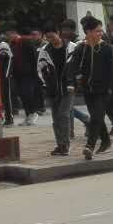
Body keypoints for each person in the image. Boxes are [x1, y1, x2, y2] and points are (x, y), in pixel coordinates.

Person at [67, 16, 113, 160]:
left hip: (103, 90)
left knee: (96, 117)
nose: (100, 34)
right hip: (88, 89)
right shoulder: (81, 48)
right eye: (97, 31)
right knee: (98, 118)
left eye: (101, 31)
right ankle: (106, 141)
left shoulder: (107, 48)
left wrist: (110, 87)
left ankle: (89, 146)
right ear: (88, 32)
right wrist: (71, 82)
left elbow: (112, 70)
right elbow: (72, 66)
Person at [39, 27, 73, 156]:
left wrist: (75, 81)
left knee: (63, 115)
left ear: (58, 33)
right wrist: (45, 84)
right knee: (56, 118)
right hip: (52, 88)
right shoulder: (45, 50)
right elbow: (40, 68)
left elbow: (78, 65)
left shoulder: (71, 47)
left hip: (68, 87)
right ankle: (60, 145)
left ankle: (65, 145)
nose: (50, 40)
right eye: (48, 37)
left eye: (52, 36)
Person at [12, 29, 43, 126]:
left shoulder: (25, 41)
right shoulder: (14, 44)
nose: (9, 37)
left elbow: (33, 57)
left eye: (10, 34)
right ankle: (28, 115)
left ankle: (33, 113)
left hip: (28, 74)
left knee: (27, 93)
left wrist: (34, 72)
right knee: (22, 95)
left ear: (14, 33)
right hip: (19, 74)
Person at [0, 35, 15, 126]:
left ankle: (9, 118)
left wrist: (6, 75)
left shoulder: (2, 45)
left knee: (6, 97)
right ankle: (0, 117)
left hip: (4, 77)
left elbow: (9, 59)